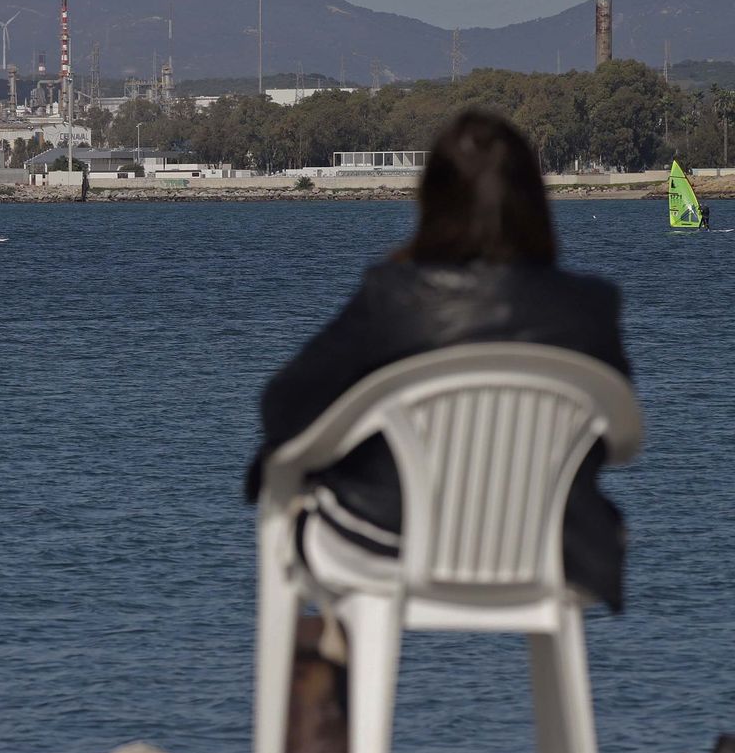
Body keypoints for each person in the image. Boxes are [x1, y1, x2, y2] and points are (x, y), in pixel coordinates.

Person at [248, 109, 633, 612]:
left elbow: (283, 409)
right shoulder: (592, 308)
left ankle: (327, 665)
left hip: (384, 541)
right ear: (536, 200)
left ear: (431, 200)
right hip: (551, 544)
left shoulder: (394, 298)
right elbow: (619, 440)